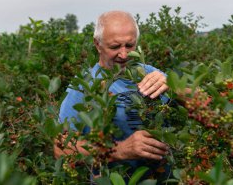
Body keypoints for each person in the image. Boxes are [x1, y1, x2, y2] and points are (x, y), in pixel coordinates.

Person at [54, 11, 171, 180]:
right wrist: (120, 150)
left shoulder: (151, 74)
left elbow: (199, 104)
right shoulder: (83, 86)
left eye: (129, 46)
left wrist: (175, 87)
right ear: (97, 44)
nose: (124, 55)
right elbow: (60, 149)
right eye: (115, 47)